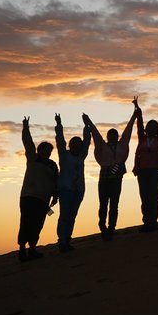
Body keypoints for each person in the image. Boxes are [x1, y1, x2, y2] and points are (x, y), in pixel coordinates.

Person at [83, 100, 137, 241]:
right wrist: (88, 121)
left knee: (114, 205)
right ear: (107, 137)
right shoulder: (102, 145)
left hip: (116, 179)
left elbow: (129, 129)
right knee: (103, 205)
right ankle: (102, 227)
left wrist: (134, 115)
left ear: (117, 137)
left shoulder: (122, 144)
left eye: (114, 134)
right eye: (110, 135)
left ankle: (111, 228)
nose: (112, 136)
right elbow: (95, 134)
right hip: (104, 179)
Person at [18, 116, 59, 262]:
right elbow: (28, 143)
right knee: (26, 222)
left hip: (43, 200)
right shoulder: (33, 158)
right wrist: (26, 127)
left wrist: (56, 196)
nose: (47, 152)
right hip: (28, 197)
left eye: (49, 151)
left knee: (38, 225)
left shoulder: (53, 165)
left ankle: (33, 249)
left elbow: (56, 182)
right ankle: (22, 249)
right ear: (39, 150)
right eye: (45, 150)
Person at [132, 99, 158, 232]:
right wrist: (138, 108)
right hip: (142, 172)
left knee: (153, 197)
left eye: (154, 127)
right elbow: (139, 124)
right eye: (150, 126)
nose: (151, 128)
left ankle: (152, 222)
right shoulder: (142, 138)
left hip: (154, 171)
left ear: (157, 129)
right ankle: (146, 222)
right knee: (144, 198)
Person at [56, 113, 91, 252]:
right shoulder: (64, 155)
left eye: (79, 144)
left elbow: (88, 141)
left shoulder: (82, 156)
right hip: (66, 190)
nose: (76, 146)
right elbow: (60, 141)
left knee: (72, 216)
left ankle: (67, 239)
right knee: (64, 215)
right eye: (74, 144)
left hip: (79, 190)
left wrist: (86, 126)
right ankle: (62, 241)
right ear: (70, 145)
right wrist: (59, 125)